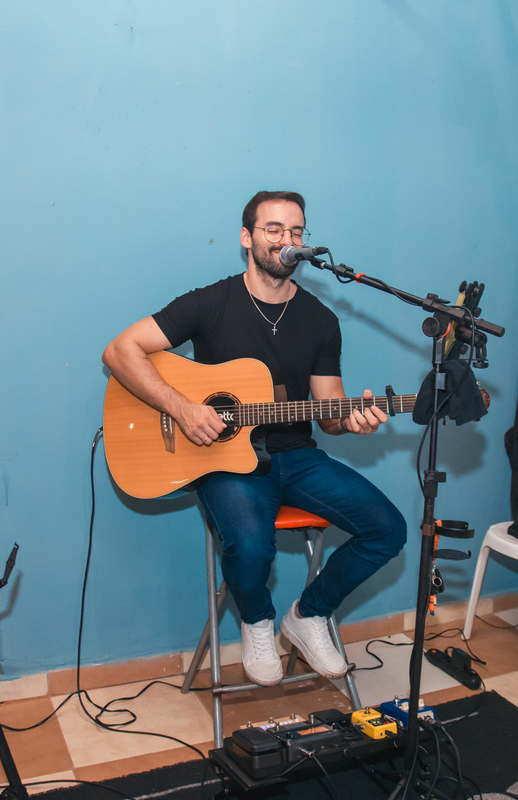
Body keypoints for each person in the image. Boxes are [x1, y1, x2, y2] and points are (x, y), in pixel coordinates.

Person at [102, 190, 407, 687]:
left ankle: (308, 615)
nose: (286, 240)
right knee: (249, 545)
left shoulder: (321, 320)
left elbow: (330, 410)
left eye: (296, 231)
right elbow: (120, 351)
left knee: (388, 529)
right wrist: (182, 408)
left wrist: (353, 420)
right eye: (274, 229)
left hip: (298, 458)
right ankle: (257, 621)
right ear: (247, 238)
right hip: (223, 460)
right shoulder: (210, 303)